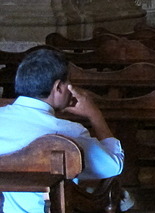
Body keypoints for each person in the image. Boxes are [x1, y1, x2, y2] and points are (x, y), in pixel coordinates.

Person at [0, 48, 125, 212]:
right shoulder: (67, 133)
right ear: (58, 87)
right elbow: (113, 166)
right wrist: (95, 115)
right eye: (69, 83)